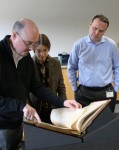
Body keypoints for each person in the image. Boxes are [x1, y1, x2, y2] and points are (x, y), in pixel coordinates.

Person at [0, 18, 81, 150]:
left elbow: (37, 87)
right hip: (2, 124)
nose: (32, 49)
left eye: (34, 44)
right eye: (28, 43)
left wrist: (62, 102)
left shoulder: (25, 58)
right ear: (14, 35)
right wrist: (22, 105)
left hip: (17, 122)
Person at [67, 14, 119, 112]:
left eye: (101, 31)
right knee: (84, 124)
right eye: (94, 28)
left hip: (106, 92)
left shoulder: (111, 45)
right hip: (84, 93)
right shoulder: (79, 45)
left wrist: (116, 88)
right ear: (90, 25)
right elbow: (71, 68)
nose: (96, 33)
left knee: (106, 123)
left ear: (105, 31)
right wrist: (75, 89)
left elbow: (118, 67)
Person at [30, 33, 67, 123]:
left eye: (45, 50)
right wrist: (28, 108)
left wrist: (63, 105)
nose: (42, 54)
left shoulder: (56, 63)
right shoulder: (28, 64)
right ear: (34, 50)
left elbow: (61, 87)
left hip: (53, 108)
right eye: (38, 51)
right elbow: (25, 91)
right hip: (35, 109)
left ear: (49, 49)